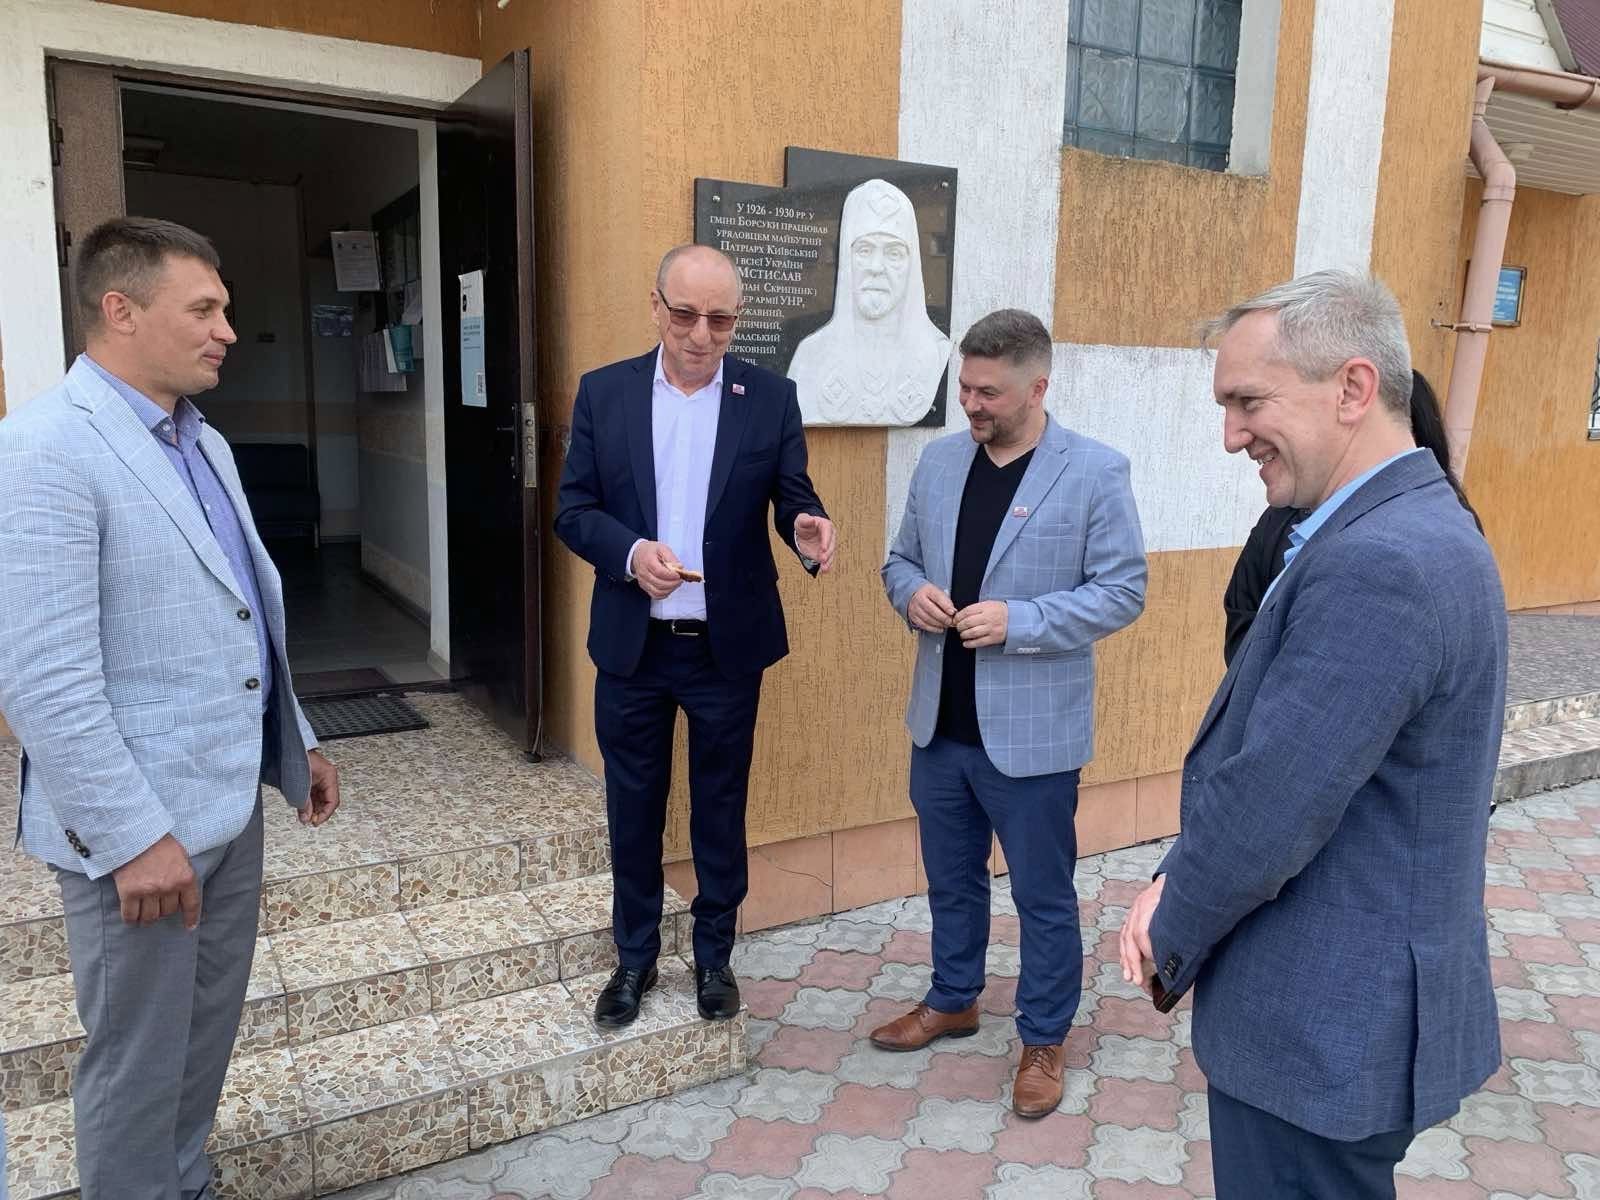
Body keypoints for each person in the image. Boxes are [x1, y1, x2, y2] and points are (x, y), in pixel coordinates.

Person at [1119, 272, 1506, 1199]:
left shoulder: (1381, 561)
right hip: (1349, 1019)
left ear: (1353, 388)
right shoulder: (1411, 525)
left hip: (1322, 1031)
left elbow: (1271, 807)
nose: (1231, 434)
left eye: (1249, 401)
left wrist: (1171, 918)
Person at [0, 217, 340, 1200]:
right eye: (205, 309)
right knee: (137, 1062)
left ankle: (183, 1182)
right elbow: (44, 677)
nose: (227, 330)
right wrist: (131, 837)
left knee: (203, 1037)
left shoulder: (203, 443)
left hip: (225, 808)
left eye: (224, 309)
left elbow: (238, 613)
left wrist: (295, 740)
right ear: (121, 310)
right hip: (140, 837)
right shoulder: (43, 449)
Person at [554, 244, 836, 1028]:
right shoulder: (605, 393)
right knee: (633, 807)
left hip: (724, 650)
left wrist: (805, 527)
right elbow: (574, 510)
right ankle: (634, 959)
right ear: (656, 306)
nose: (701, 335)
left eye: (720, 319)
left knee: (720, 805)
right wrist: (630, 554)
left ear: (736, 319)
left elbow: (793, 497)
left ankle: (715, 956)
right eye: (684, 315)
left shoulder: (769, 397)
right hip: (633, 648)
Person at [877, 308, 1146, 1117]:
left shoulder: (1095, 471)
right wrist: (911, 595)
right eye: (965, 387)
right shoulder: (938, 463)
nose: (971, 403)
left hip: (1033, 739)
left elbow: (1122, 590)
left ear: (1037, 387)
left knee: (1043, 896)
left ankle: (1043, 1038)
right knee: (951, 881)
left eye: (988, 392)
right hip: (940, 727)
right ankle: (953, 998)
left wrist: (1020, 621)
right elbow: (899, 561)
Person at [1222, 368, 1482, 665]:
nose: (1233, 439)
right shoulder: (1283, 519)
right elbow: (1242, 607)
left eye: (1251, 402)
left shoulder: (1417, 538)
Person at [788, 177, 951, 426]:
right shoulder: (811, 357)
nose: (876, 267)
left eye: (894, 253)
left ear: (911, 265)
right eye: (864, 250)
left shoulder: (936, 351)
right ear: (847, 258)